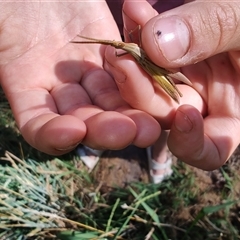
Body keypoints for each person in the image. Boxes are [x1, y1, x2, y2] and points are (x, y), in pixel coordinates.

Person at [0, 0, 239, 180]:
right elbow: (126, 48)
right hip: (105, 13)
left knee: (169, 104)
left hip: (172, 21)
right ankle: (99, 135)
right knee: (121, 84)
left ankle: (160, 151)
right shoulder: (122, 45)